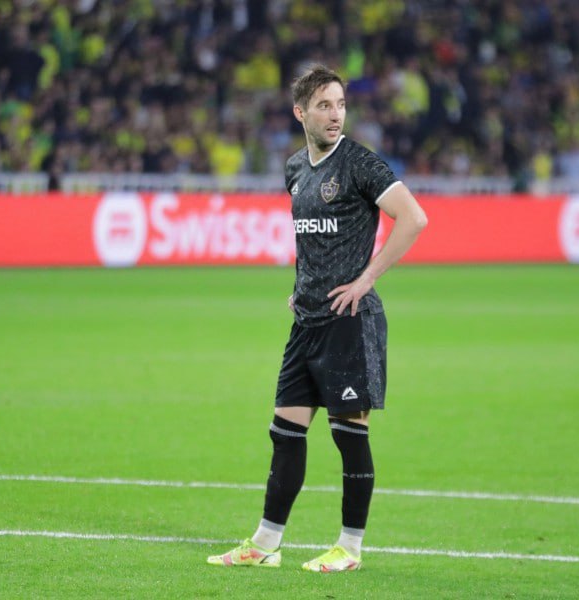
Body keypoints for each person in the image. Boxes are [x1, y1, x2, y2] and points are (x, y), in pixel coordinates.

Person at [207, 65, 427, 573]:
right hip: (306, 323)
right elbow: (313, 238)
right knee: (285, 433)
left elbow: (414, 218)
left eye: (341, 105)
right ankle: (265, 544)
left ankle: (349, 548)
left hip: (349, 320)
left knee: (349, 436)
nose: (335, 115)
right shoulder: (295, 169)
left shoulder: (360, 163)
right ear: (300, 112)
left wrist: (366, 279)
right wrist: (301, 287)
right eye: (324, 105)